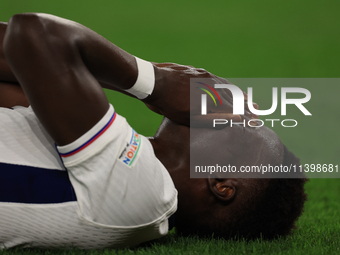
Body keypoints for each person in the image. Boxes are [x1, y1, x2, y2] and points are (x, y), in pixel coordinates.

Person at [0, 13, 307, 250]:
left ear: (220, 183)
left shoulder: (143, 192)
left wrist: (155, 82)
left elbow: (34, 33)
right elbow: (20, 58)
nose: (225, 112)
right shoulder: (128, 171)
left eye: (239, 128)